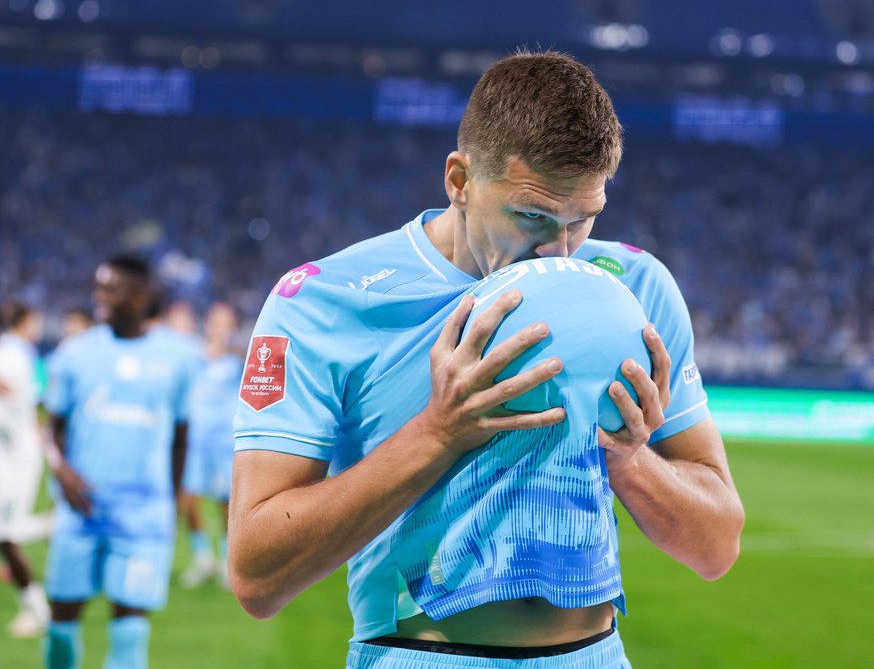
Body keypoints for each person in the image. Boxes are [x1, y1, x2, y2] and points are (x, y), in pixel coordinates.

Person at [229, 50, 744, 668]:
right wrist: (436, 433)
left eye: (582, 219)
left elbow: (717, 548)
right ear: (459, 180)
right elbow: (257, 576)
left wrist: (630, 461)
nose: (558, 248)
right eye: (531, 216)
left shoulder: (632, 290)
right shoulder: (325, 301)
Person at [43, 255, 193, 669]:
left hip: (142, 516)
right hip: (81, 510)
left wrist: (171, 502)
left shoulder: (178, 357)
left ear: (140, 297)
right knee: (60, 625)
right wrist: (60, 469)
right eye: (98, 287)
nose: (100, 296)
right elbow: (51, 428)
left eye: (111, 289)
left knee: (130, 632)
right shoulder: (76, 352)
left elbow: (181, 438)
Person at [178, 302, 244, 589]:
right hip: (195, 442)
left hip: (224, 444)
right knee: (187, 501)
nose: (220, 327)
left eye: (226, 322)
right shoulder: (193, 356)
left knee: (225, 504)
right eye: (216, 321)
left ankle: (229, 563)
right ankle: (203, 558)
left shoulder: (238, 361)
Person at [0, 302, 51, 638]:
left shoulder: (17, 354)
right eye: (35, 321)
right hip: (13, 456)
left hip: (17, 458)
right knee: (6, 535)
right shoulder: (15, 354)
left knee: (7, 535)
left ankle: (37, 611)